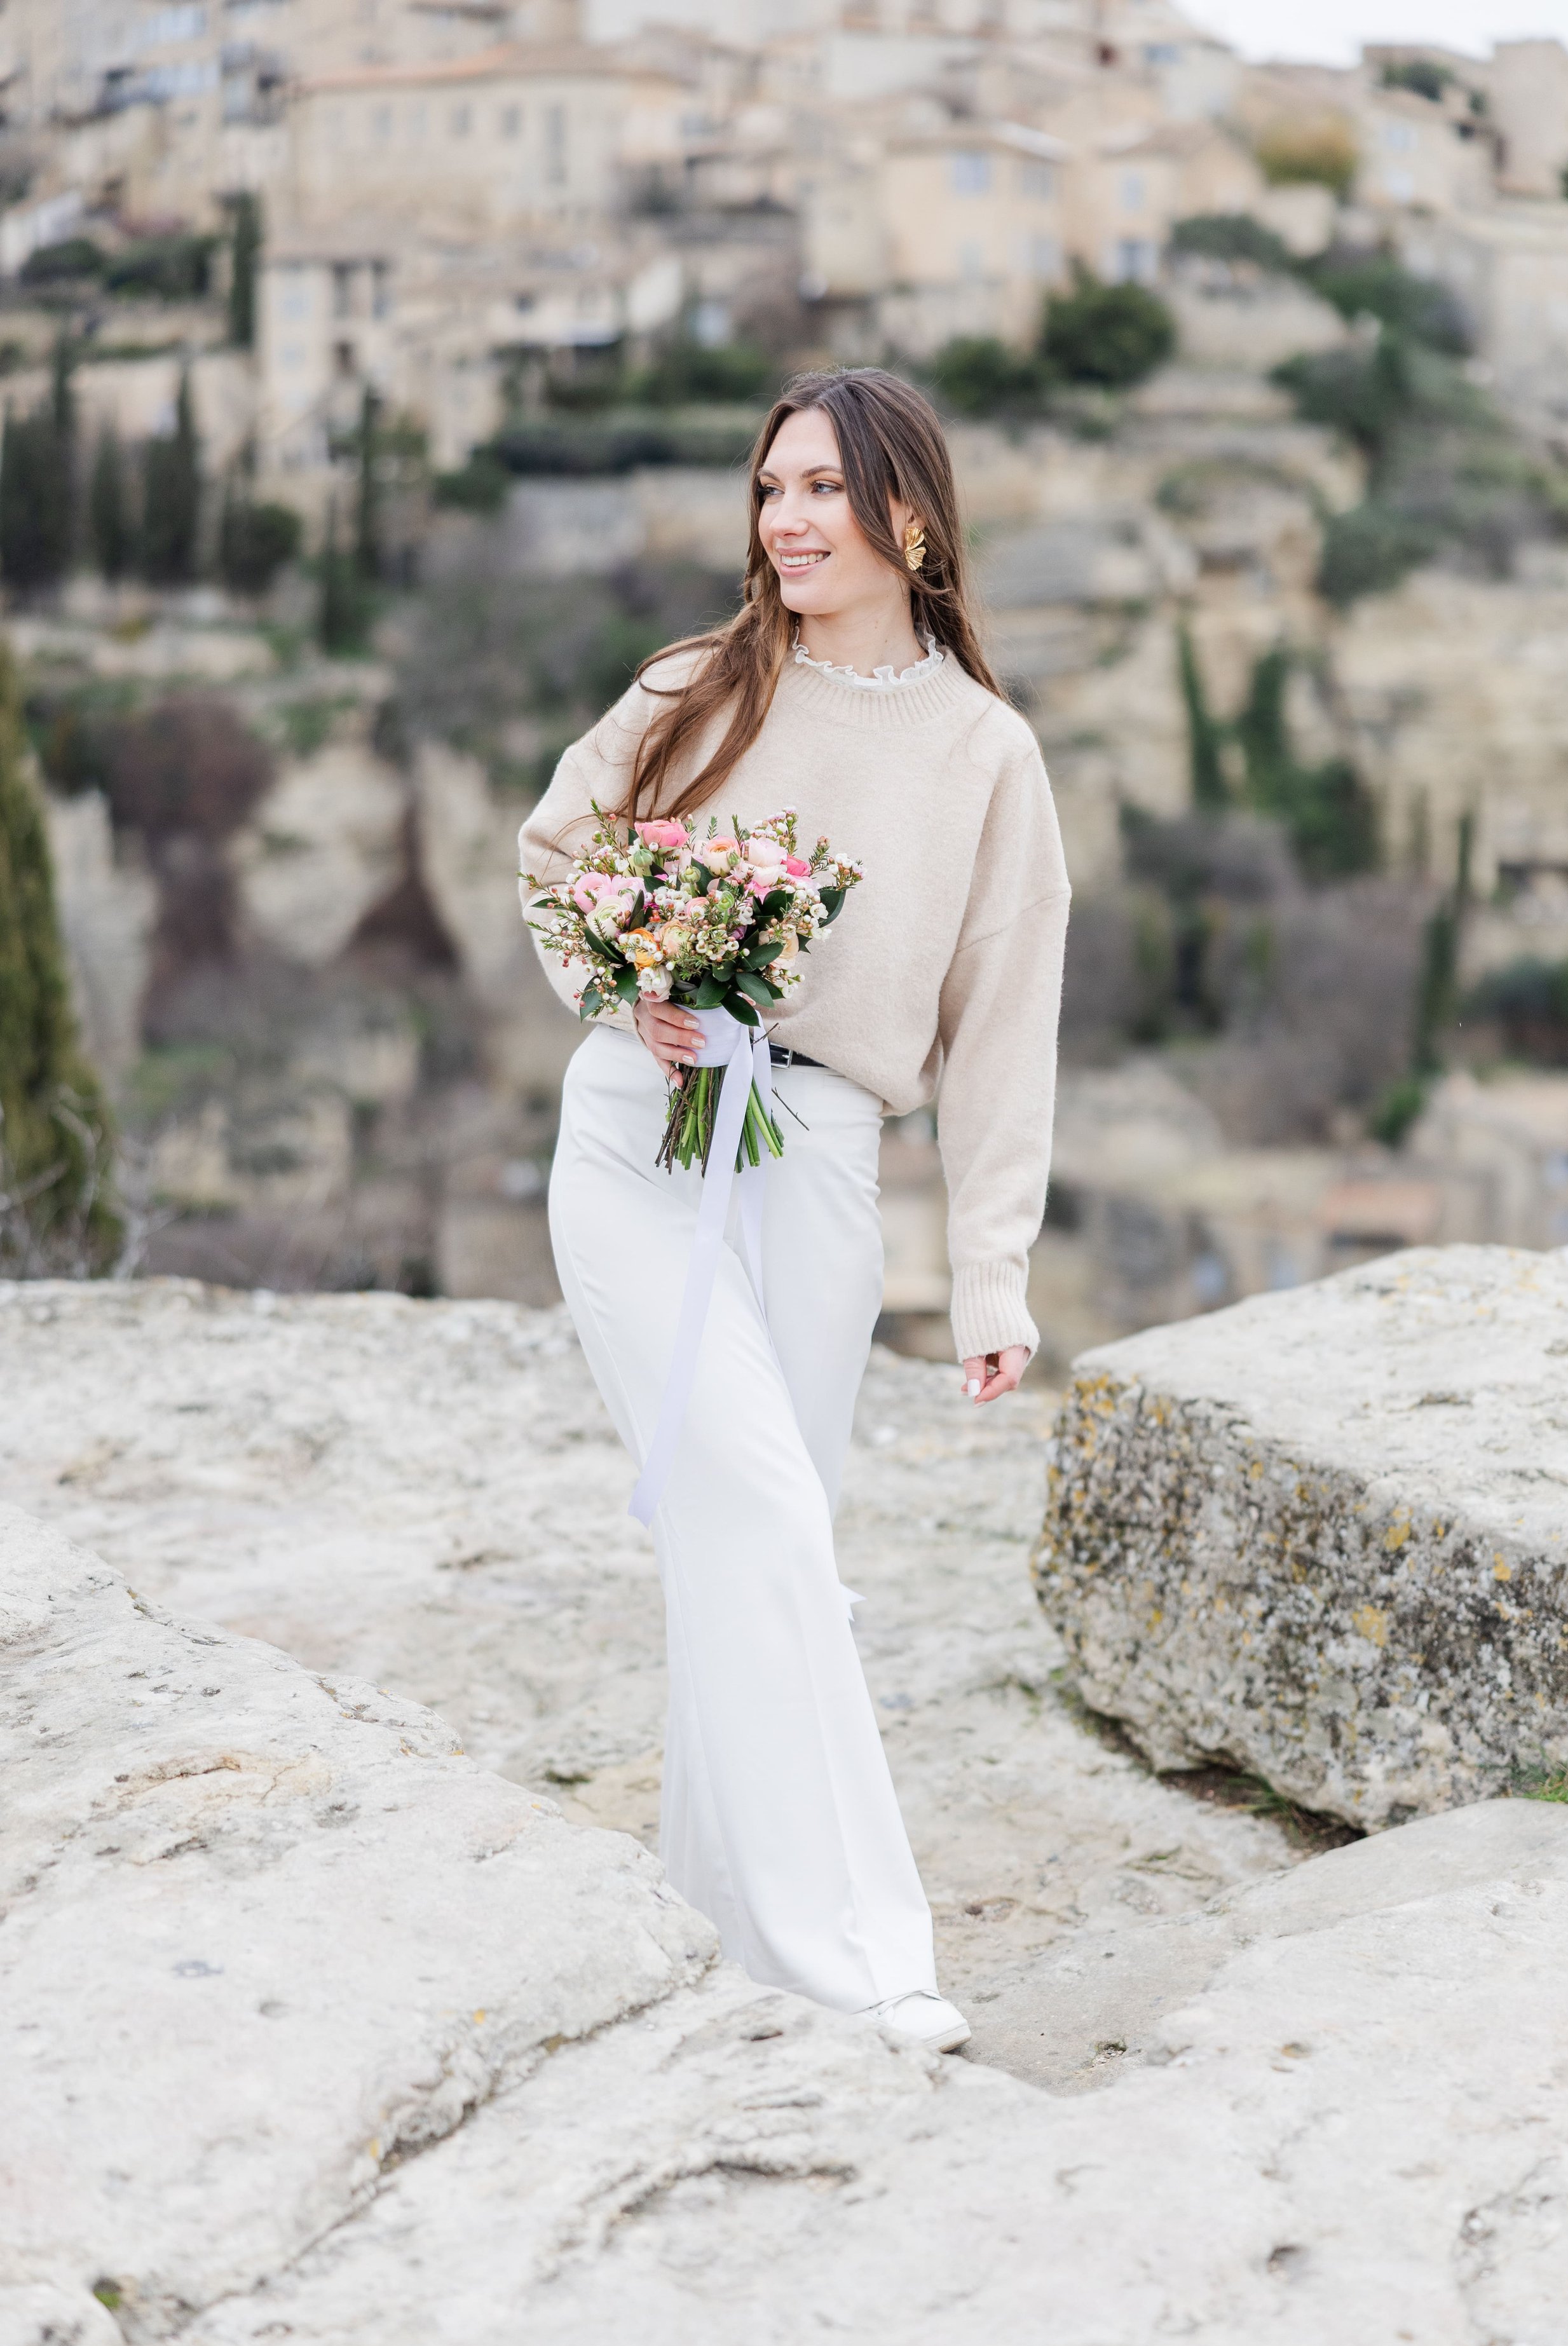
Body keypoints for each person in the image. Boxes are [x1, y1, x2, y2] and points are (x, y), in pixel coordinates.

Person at [517, 366, 1069, 2054]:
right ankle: (856, 1956)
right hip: (635, 1148)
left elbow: (1000, 1029)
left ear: (909, 515)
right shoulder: (695, 686)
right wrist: (628, 996)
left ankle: (715, 1915)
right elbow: (556, 854)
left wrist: (989, 1280)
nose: (787, 519)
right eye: (769, 490)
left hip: (820, 1163)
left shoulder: (985, 752)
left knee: (755, 1542)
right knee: (755, 1517)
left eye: (821, 488)